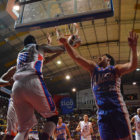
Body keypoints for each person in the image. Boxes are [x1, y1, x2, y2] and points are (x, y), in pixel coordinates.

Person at [59, 31, 138, 140]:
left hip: (117, 111)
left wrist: (133, 48)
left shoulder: (115, 69)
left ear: (109, 60)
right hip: (102, 114)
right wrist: (66, 44)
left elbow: (132, 65)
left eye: (102, 56)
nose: (99, 58)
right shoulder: (93, 69)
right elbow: (77, 57)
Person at [9, 34, 65, 140]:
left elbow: (42, 57)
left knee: (23, 129)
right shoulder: (39, 47)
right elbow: (60, 48)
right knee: (53, 117)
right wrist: (68, 43)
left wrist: (48, 43)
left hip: (17, 87)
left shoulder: (20, 53)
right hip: (32, 80)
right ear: (35, 42)